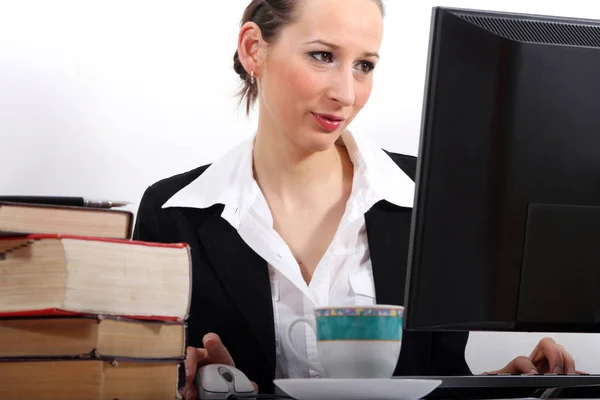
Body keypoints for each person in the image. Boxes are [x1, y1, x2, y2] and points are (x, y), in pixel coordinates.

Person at [132, 0, 579, 398]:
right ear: (254, 49)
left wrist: (499, 385)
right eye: (322, 56)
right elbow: (141, 378)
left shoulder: (430, 196)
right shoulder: (172, 213)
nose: (345, 94)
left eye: (364, 65)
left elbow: (438, 376)